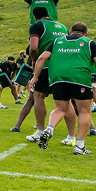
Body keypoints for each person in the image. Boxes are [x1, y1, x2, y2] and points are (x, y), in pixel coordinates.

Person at [31, 22, 96, 155]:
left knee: (60, 109)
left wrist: (35, 77)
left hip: (57, 78)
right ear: (86, 34)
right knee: (84, 111)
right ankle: (80, 146)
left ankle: (49, 129)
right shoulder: (89, 43)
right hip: (80, 78)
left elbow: (41, 58)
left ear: (69, 32)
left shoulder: (57, 41)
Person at [17, 7, 74, 141]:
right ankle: (71, 136)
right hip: (64, 67)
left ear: (35, 17)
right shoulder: (62, 26)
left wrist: (35, 62)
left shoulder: (37, 26)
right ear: (48, 14)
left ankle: (40, 132)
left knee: (38, 96)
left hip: (46, 66)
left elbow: (34, 48)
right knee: (66, 101)